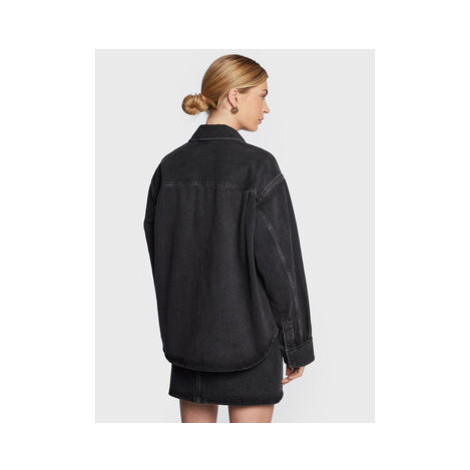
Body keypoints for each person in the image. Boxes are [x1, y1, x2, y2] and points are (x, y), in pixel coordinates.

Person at [143, 54, 315, 423]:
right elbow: (282, 265)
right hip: (251, 345)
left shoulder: (170, 167)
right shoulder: (258, 167)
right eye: (262, 95)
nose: (266, 108)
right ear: (234, 96)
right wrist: (297, 345)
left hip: (188, 347)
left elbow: (160, 256)